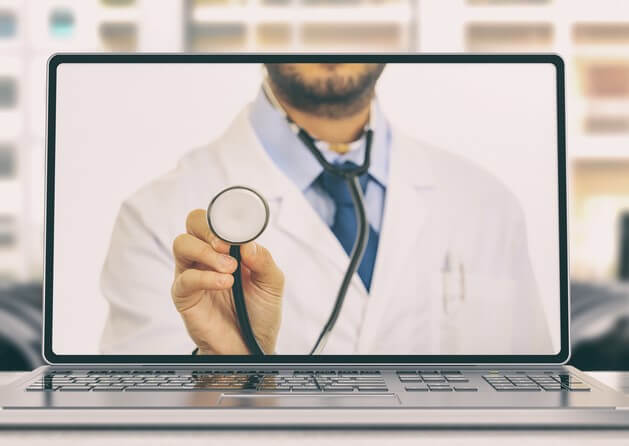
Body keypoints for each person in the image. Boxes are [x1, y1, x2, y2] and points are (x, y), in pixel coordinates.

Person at [100, 63, 552, 355]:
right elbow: (136, 443)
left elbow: (535, 416)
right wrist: (229, 370)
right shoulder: (156, 218)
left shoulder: (486, 203)